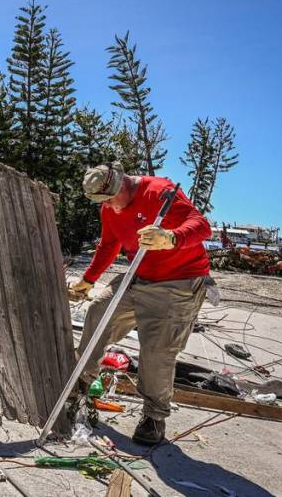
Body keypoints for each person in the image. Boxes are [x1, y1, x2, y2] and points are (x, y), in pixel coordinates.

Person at [68, 162, 213, 445]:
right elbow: (109, 245)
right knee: (99, 310)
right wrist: (88, 279)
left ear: (122, 183)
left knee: (157, 349)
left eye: (111, 198)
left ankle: (154, 418)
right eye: (103, 202)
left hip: (178, 281)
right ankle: (81, 381)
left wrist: (171, 238)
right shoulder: (109, 208)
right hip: (139, 275)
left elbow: (202, 226)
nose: (110, 205)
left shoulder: (160, 192)